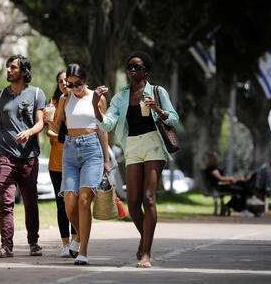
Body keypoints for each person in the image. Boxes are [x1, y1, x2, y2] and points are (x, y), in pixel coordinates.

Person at [92, 51, 179, 268]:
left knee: (148, 198)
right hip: (132, 145)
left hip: (153, 144)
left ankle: (146, 253)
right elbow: (107, 123)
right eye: (129, 66)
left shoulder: (157, 92)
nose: (132, 70)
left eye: (137, 67)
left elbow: (175, 118)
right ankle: (145, 239)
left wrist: (157, 110)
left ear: (146, 70)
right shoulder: (120, 97)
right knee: (132, 204)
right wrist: (96, 105)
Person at [0, 54, 46, 258]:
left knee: (30, 201)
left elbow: (40, 123)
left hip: (29, 157)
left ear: (23, 71)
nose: (9, 71)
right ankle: (6, 246)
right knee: (6, 202)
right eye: (7, 67)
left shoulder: (37, 94)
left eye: (13, 67)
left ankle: (34, 242)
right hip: (5, 156)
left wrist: (28, 132)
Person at [56, 63, 110, 266]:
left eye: (77, 84)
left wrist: (106, 159)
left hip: (92, 149)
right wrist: (45, 121)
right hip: (69, 151)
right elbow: (58, 124)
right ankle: (78, 235)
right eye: (69, 84)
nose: (74, 88)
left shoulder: (97, 98)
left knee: (84, 200)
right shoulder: (65, 98)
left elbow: (103, 129)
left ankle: (83, 251)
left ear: (85, 81)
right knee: (69, 201)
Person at [44, 70, 77, 257]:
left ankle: (75, 241)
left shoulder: (78, 102)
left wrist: (62, 134)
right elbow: (49, 131)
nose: (64, 83)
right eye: (60, 81)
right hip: (56, 163)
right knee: (61, 204)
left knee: (74, 203)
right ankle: (65, 244)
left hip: (75, 160)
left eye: (67, 80)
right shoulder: (53, 103)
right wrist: (66, 134)